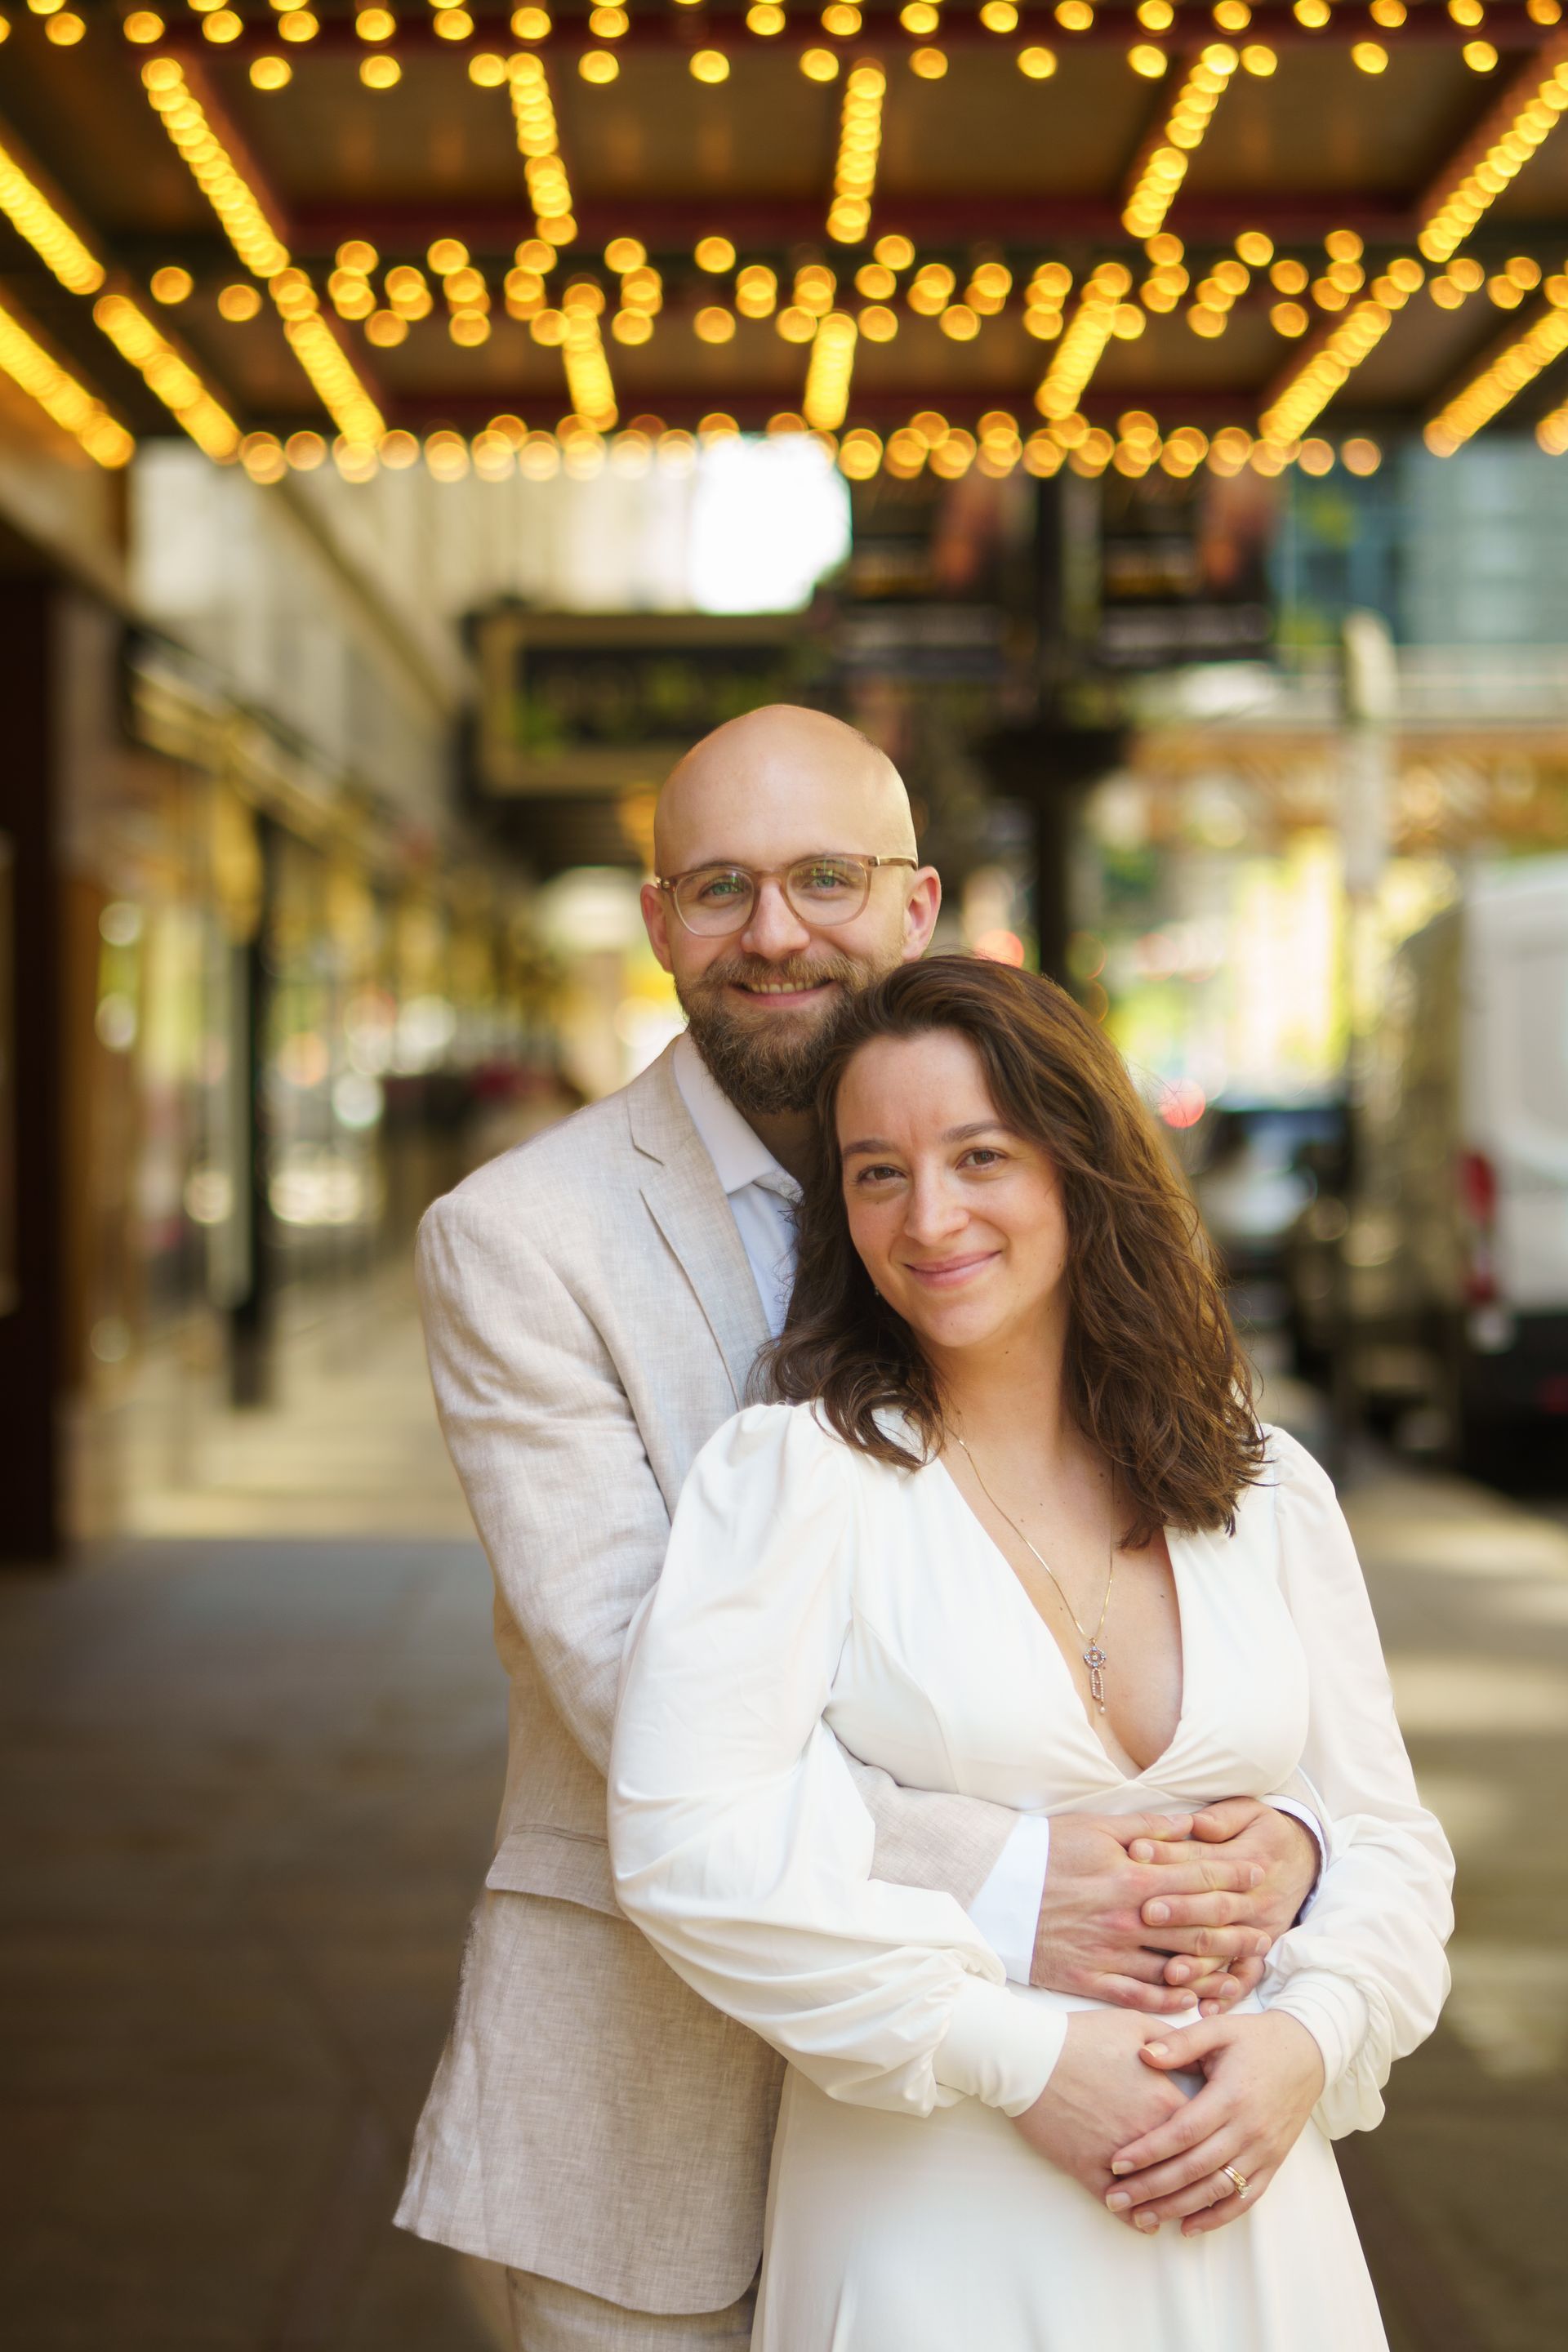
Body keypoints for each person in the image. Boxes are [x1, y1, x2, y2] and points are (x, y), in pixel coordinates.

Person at [398, 706, 1322, 2351]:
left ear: (917, 906)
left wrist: (1285, 1843)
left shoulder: (1056, 1208)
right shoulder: (520, 1242)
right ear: (657, 920)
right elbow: (634, 1689)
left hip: (1024, 2122)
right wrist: (1029, 1875)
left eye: (828, 878)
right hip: (650, 2090)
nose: (776, 934)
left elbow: (1195, 1607)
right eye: (721, 889)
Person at [609, 955, 1454, 2350]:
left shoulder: (1267, 1489)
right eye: (876, 1173)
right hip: (936, 2219)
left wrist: (1312, 2039)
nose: (929, 1216)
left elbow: (1388, 1840)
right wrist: (1023, 2058)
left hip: (1253, 2216)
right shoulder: (794, 1481)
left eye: (979, 1155)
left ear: (1079, 1165)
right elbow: (689, 1846)